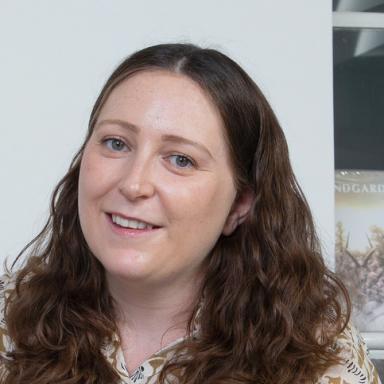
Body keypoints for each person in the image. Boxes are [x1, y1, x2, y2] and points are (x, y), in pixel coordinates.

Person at [0, 43, 381, 384]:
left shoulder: (322, 357)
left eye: (181, 159)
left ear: (240, 205)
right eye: (116, 143)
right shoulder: (8, 319)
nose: (134, 184)